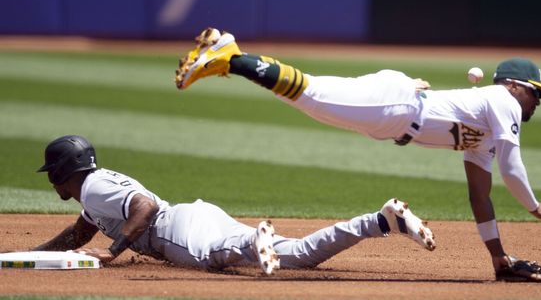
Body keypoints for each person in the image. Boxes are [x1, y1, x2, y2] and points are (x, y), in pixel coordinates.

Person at [174, 28, 541, 282]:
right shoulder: (502, 101)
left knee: (311, 99)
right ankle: (232, 57)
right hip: (395, 106)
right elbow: (513, 167)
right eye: (535, 92)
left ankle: (232, 56)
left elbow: (480, 196)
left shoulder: (486, 136)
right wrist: (532, 205)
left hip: (392, 115)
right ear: (513, 86)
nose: (537, 101)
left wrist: (500, 261)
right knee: (310, 95)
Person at [33, 135, 435, 275]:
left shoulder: (95, 188)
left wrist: (115, 249)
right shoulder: (94, 193)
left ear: (61, 172)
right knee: (296, 254)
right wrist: (19, 256)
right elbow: (75, 235)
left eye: (52, 173)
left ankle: (250, 245)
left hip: (175, 232)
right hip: (194, 216)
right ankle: (380, 223)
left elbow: (145, 205)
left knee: (224, 255)